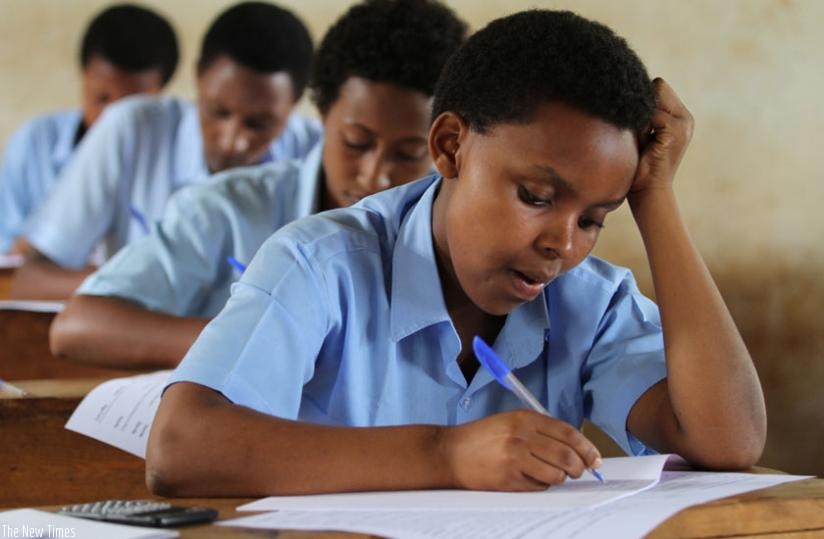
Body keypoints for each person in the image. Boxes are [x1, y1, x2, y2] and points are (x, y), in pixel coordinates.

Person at [146, 9, 767, 497]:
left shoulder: (591, 304)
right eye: (535, 195)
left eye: (594, 218)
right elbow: (181, 449)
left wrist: (655, 197)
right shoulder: (321, 263)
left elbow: (729, 441)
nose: (563, 243)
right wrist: (446, 454)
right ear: (450, 146)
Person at [49, 0, 468, 370]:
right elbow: (77, 327)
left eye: (409, 153)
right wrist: (255, 339)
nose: (375, 176)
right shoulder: (228, 210)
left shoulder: (453, 231)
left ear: (444, 144)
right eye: (356, 143)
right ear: (322, 114)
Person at [10, 1, 320, 299]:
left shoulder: (313, 154)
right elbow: (32, 278)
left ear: (292, 106)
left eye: (259, 124)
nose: (232, 141)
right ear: (198, 76)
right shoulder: (132, 128)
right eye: (217, 112)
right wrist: (130, 285)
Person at [0, 4, 179, 254]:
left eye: (132, 108)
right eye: (102, 98)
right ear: (84, 75)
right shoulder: (33, 142)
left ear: (160, 94)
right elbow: (9, 262)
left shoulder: (175, 162)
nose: (112, 121)